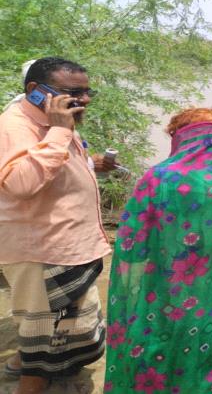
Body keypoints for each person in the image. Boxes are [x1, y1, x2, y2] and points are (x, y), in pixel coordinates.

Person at [104, 108, 212, 393]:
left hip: (166, 296)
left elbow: (132, 249)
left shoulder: (160, 179)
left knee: (159, 355)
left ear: (180, 139)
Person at [0, 57, 114, 393]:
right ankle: (29, 382)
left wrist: (92, 164)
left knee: (61, 332)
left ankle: (20, 364)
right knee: (45, 342)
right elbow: (20, 183)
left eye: (87, 91)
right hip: (42, 250)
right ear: (35, 91)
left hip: (66, 244)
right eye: (73, 92)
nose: (85, 100)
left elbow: (50, 167)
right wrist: (61, 130)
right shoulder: (15, 126)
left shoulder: (52, 121)